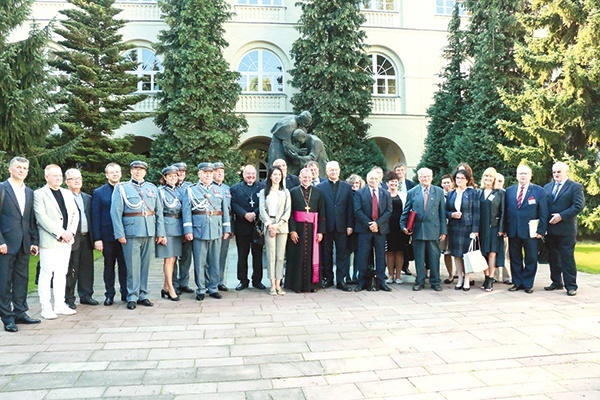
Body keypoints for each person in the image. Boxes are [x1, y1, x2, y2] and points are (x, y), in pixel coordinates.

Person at [111, 161, 166, 310]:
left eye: (141, 170)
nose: (138, 172)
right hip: (131, 232)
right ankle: (132, 296)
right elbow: (115, 212)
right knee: (132, 267)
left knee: (145, 266)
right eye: (135, 169)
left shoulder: (152, 188)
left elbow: (158, 211)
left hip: (149, 231)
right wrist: (119, 233)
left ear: (145, 172)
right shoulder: (122, 188)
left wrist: (160, 232)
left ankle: (143, 294)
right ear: (131, 171)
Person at [34, 164, 79, 319]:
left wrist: (70, 232)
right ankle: (46, 307)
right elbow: (42, 217)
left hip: (66, 241)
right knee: (47, 274)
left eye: (60, 175)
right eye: (55, 175)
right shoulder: (39, 194)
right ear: (47, 177)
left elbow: (75, 214)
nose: (58, 178)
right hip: (50, 241)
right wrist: (60, 233)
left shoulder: (67, 194)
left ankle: (60, 304)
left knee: (62, 273)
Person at [0, 157, 40, 332]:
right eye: (18, 167)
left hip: (24, 244)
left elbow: (30, 220)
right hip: (6, 244)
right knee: (4, 282)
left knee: (21, 281)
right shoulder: (2, 189)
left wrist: (34, 241)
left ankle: (20, 312)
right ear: (10, 169)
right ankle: (7, 318)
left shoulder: (29, 192)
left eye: (25, 168)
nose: (21, 170)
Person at [182, 162, 232, 301]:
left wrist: (226, 228)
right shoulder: (191, 190)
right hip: (199, 230)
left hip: (216, 229)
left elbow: (224, 212)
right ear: (199, 174)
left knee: (215, 260)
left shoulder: (219, 190)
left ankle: (213, 287)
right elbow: (187, 212)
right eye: (205, 173)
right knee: (200, 262)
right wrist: (188, 230)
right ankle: (201, 289)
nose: (208, 175)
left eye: (210, 173)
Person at [401, 168, 447, 292]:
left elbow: (442, 213)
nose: (425, 179)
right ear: (418, 178)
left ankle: (435, 281)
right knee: (419, 258)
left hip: (433, 229)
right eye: (422, 176)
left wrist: (443, 231)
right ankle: (419, 281)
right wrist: (403, 226)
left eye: (427, 176)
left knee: (434, 257)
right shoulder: (412, 192)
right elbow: (406, 211)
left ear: (432, 177)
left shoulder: (439, 191)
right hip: (418, 230)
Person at [505, 164, 548, 294]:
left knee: (531, 258)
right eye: (520, 173)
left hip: (531, 232)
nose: (522, 176)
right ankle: (517, 282)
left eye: (525, 173)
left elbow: (543, 212)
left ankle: (528, 284)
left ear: (530, 176)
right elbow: (505, 212)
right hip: (513, 230)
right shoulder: (509, 191)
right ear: (516, 175)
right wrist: (505, 229)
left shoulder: (538, 191)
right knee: (515, 257)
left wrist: (541, 231)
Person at [543, 161, 585, 296]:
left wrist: (561, 216)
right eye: (554, 172)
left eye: (558, 171)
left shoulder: (575, 187)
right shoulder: (547, 187)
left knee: (567, 258)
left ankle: (571, 286)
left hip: (566, 229)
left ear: (566, 172)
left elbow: (578, 206)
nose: (556, 174)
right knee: (553, 258)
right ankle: (556, 282)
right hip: (550, 229)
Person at [284, 168, 326, 293]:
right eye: (304, 177)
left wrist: (320, 232)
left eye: (309, 177)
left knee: (312, 256)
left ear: (312, 178)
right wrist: (292, 231)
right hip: (298, 228)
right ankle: (296, 285)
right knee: (297, 256)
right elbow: (289, 213)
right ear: (300, 178)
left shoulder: (318, 192)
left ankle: (312, 285)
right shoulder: (293, 192)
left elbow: (322, 213)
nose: (307, 179)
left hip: (313, 229)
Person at [92, 163, 127, 306]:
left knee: (125, 266)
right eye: (112, 172)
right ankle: (109, 294)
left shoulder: (127, 190)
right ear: (106, 175)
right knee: (109, 266)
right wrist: (97, 238)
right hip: (107, 236)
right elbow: (95, 216)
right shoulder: (99, 192)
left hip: (125, 235)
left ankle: (126, 293)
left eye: (117, 172)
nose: (115, 174)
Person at [317, 161, 354, 291]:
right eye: (331, 170)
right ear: (327, 172)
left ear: (339, 170)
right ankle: (328, 278)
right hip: (326, 226)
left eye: (336, 170)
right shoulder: (320, 187)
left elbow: (350, 208)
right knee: (326, 254)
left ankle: (341, 280)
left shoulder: (346, 187)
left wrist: (350, 225)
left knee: (342, 254)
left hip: (342, 226)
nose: (334, 172)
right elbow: (320, 208)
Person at [354, 169, 393, 292]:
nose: (373, 181)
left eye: (376, 179)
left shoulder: (385, 193)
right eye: (371, 178)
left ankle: (381, 282)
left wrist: (377, 224)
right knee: (363, 256)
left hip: (380, 230)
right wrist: (369, 224)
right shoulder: (360, 193)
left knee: (381, 256)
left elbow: (388, 210)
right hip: (364, 230)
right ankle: (362, 282)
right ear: (367, 179)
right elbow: (357, 210)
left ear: (379, 180)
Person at [64, 168, 98, 309]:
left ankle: (86, 295)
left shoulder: (87, 198)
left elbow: (92, 218)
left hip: (86, 237)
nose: (77, 181)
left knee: (86, 269)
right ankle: (69, 298)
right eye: (73, 178)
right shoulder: (64, 197)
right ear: (67, 182)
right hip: (71, 239)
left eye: (79, 178)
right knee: (71, 269)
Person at [230, 165, 265, 291]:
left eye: (253, 174)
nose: (250, 176)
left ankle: (257, 280)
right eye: (248, 174)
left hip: (257, 227)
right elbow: (233, 204)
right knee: (242, 255)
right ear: (243, 175)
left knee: (258, 255)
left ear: (256, 174)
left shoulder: (262, 187)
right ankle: (243, 280)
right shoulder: (235, 188)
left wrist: (255, 213)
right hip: (242, 226)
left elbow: (264, 203)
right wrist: (244, 214)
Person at [258, 166, 291, 295]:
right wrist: (269, 225)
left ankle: (279, 284)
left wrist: (278, 224)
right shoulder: (263, 192)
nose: (277, 177)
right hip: (269, 225)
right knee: (271, 256)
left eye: (279, 174)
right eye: (274, 174)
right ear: (270, 176)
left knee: (280, 256)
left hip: (282, 227)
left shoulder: (286, 192)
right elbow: (262, 210)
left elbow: (287, 210)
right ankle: (272, 284)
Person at [446, 169, 480, 291]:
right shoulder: (451, 194)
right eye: (457, 178)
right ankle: (459, 278)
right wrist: (451, 215)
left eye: (462, 178)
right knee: (456, 254)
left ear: (467, 180)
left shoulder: (472, 193)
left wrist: (475, 229)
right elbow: (446, 211)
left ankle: (467, 278)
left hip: (468, 227)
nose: (459, 180)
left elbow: (476, 212)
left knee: (467, 254)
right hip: (454, 227)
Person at [157, 166, 184, 301]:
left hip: (177, 227)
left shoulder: (180, 191)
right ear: (165, 178)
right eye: (170, 176)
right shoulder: (160, 192)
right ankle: (171, 289)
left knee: (173, 259)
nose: (173, 178)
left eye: (175, 176)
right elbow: (159, 213)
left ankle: (165, 287)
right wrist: (161, 233)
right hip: (167, 227)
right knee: (168, 259)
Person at [478, 167, 505, 292]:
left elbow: (504, 212)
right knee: (482, 253)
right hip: (480, 228)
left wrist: (502, 228)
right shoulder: (478, 192)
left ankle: (490, 279)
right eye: (486, 176)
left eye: (490, 177)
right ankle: (486, 276)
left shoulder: (500, 193)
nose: (488, 179)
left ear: (494, 179)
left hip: (494, 228)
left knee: (492, 253)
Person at [172, 162, 194, 295]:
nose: (181, 174)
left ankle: (184, 283)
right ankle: (173, 284)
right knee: (173, 257)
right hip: (173, 226)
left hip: (187, 226)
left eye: (183, 172)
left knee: (186, 257)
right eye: (178, 172)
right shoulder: (167, 187)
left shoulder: (190, 187)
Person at [267, 111, 313, 175]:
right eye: (304, 123)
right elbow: (287, 145)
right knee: (276, 168)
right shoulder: (289, 125)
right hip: (278, 147)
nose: (304, 125)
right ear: (300, 118)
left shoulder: (297, 122)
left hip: (284, 146)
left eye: (306, 124)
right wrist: (298, 151)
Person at [385, 171, 408, 285]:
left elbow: (407, 211)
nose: (393, 183)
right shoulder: (384, 194)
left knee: (400, 251)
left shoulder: (403, 195)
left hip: (400, 227)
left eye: (395, 181)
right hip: (387, 227)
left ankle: (398, 276)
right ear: (387, 183)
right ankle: (390, 275)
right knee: (389, 251)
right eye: (391, 181)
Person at [213, 162, 232, 291]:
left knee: (222, 254)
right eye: (217, 171)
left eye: (222, 172)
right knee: (212, 254)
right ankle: (211, 281)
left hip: (226, 224)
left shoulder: (227, 188)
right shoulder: (209, 188)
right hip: (214, 223)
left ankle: (220, 280)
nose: (220, 174)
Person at [345, 174, 365, 285]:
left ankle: (355, 275)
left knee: (358, 253)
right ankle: (347, 276)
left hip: (360, 228)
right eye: (352, 183)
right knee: (347, 252)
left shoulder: (363, 194)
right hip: (349, 228)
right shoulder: (347, 195)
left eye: (357, 183)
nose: (355, 185)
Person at [493, 173, 512, 285]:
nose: (498, 183)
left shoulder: (506, 194)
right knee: (493, 252)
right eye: (497, 180)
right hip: (493, 228)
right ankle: (494, 275)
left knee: (505, 253)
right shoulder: (492, 193)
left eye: (501, 181)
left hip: (504, 228)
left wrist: (505, 228)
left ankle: (507, 276)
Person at [440, 174, 455, 283]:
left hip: (456, 226)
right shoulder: (439, 195)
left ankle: (465, 274)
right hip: (444, 227)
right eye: (444, 183)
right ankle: (451, 275)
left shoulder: (456, 194)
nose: (446, 185)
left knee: (460, 252)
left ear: (452, 183)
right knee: (446, 252)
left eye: (448, 182)